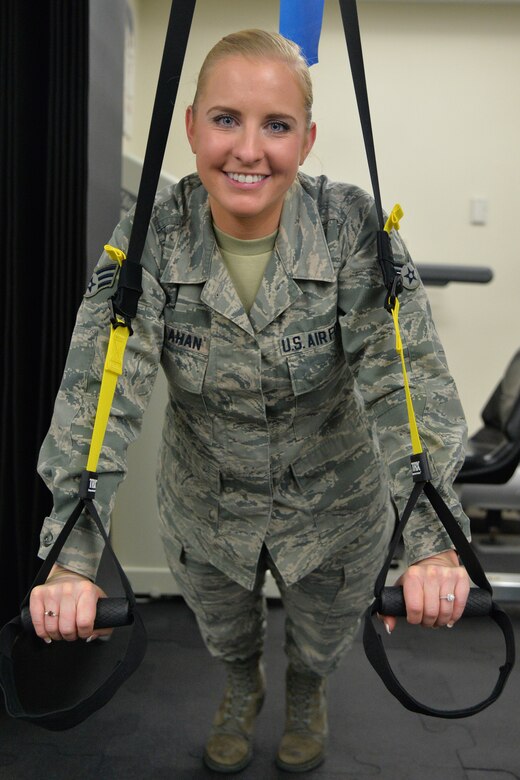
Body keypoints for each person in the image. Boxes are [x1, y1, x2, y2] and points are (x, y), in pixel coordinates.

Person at [30, 29, 471, 774]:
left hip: (335, 509)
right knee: (225, 635)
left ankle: (306, 690)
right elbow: (99, 389)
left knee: (320, 638)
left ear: (307, 139)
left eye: (276, 125)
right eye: (227, 119)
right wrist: (73, 554)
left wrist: (432, 540)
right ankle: (242, 686)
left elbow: (406, 379)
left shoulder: (350, 228)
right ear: (192, 124)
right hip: (208, 506)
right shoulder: (152, 234)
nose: (248, 150)